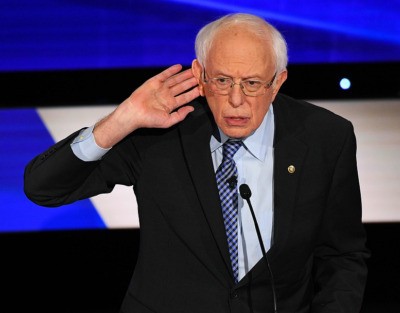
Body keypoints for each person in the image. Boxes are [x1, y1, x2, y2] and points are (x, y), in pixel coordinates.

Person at [24, 13, 369, 313]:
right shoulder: (159, 133)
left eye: (251, 84)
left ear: (277, 82)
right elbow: (43, 188)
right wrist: (122, 118)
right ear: (199, 75)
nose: (236, 100)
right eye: (221, 80)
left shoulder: (326, 138)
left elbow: (342, 256)